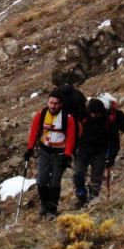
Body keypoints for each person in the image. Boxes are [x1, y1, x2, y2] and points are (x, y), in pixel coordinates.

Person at [23, 88, 78, 218]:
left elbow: (71, 138)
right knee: (41, 180)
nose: (52, 106)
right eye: (50, 103)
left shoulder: (67, 118)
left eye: (55, 104)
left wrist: (67, 155)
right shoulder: (41, 114)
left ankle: (52, 209)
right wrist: (29, 149)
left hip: (60, 153)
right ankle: (44, 204)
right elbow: (34, 132)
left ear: (61, 104)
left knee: (54, 182)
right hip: (44, 151)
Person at [73, 98, 109, 207]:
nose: (94, 116)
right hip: (82, 151)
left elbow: (113, 138)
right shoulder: (82, 116)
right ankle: (81, 195)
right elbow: (74, 134)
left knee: (96, 177)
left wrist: (111, 156)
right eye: (92, 113)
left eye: (96, 114)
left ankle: (93, 197)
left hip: (100, 152)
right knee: (78, 174)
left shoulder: (107, 119)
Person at [100, 92, 124, 171]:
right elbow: (123, 128)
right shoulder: (119, 114)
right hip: (111, 137)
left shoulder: (103, 115)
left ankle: (107, 162)